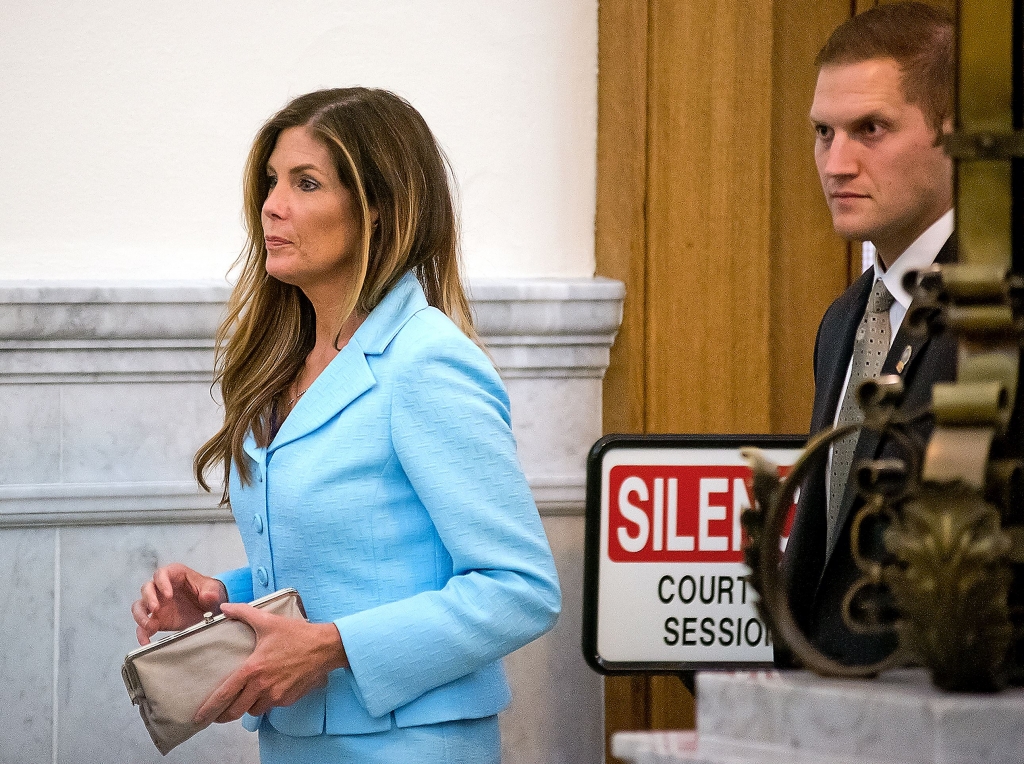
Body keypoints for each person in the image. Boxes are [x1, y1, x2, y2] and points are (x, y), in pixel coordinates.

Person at [130, 87, 561, 763]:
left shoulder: (426, 362)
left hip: (413, 746)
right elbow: (358, 560)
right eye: (272, 181)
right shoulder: (282, 364)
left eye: (306, 183)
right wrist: (221, 602)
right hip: (296, 741)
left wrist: (332, 648)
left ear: (380, 213)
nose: (273, 205)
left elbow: (521, 589)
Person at [782, 2, 957, 666]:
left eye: (872, 129)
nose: (836, 162)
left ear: (954, 133)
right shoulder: (844, 318)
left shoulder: (998, 309)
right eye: (823, 132)